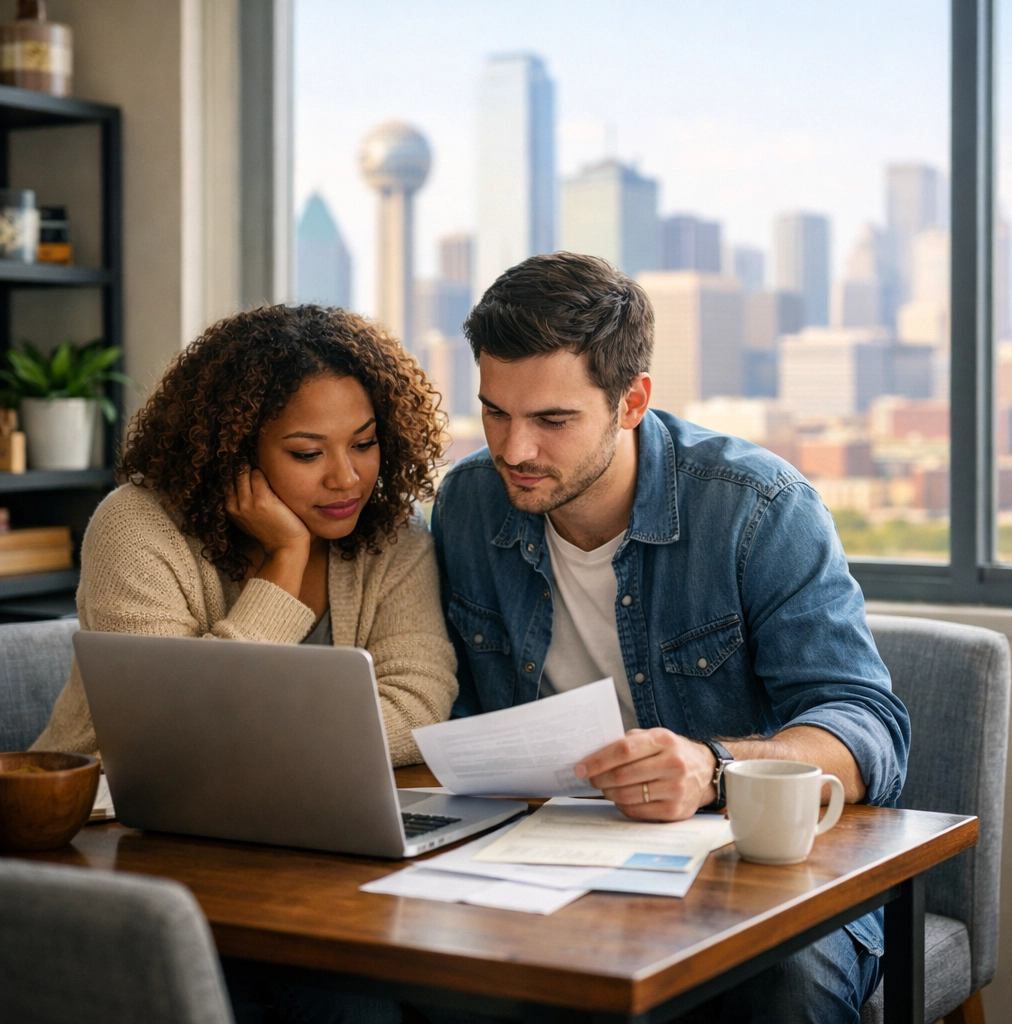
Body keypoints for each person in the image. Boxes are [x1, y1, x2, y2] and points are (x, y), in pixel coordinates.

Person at [430, 253, 911, 1024]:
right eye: (494, 412)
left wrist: (714, 768)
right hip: (547, 857)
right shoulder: (466, 507)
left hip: (750, 865)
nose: (514, 451)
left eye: (552, 420)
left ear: (632, 401)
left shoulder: (758, 509)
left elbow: (868, 731)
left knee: (784, 986)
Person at [34, 302, 458, 1024]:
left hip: (315, 861)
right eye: (306, 452)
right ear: (232, 449)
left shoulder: (392, 537)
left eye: (363, 442)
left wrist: (263, 755)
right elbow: (164, 731)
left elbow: (419, 704)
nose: (346, 478)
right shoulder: (137, 528)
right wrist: (284, 568)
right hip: (122, 858)